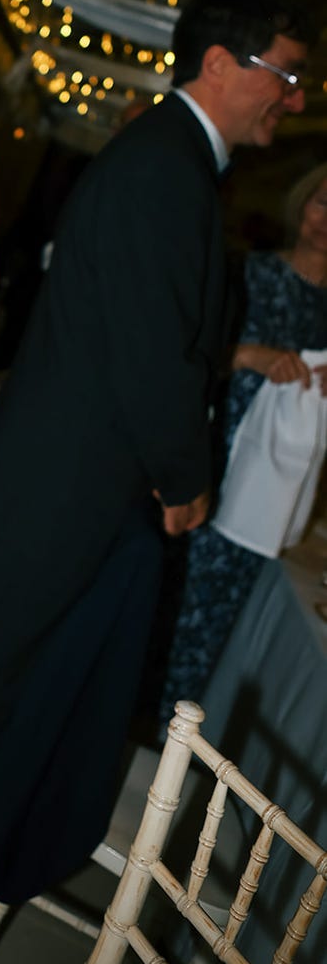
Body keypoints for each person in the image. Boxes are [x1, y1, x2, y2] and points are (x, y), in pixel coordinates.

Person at [0, 0, 313, 961]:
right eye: (285, 76)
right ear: (220, 65)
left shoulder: (173, 161)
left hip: (68, 471)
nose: (294, 99)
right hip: (66, 481)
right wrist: (184, 479)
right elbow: (145, 352)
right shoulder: (164, 169)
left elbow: (161, 334)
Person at [157, 160, 327, 715]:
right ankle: (145, 725)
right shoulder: (248, 275)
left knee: (235, 616)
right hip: (215, 457)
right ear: (303, 201)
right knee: (176, 599)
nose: (326, 219)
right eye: (323, 201)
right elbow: (183, 355)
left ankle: (187, 742)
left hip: (284, 485)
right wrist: (251, 356)